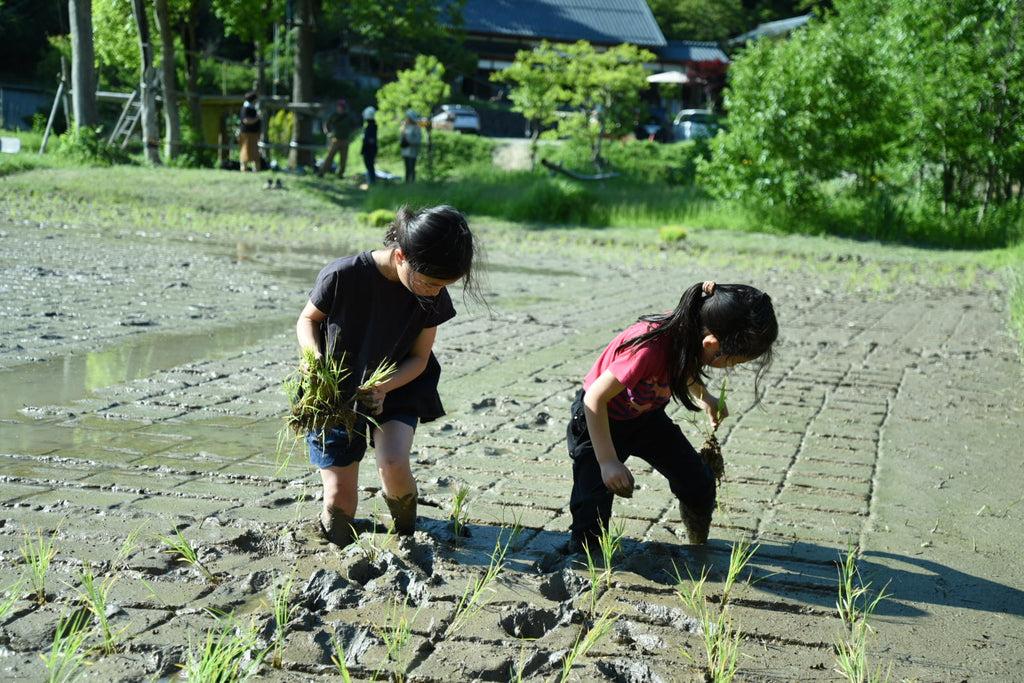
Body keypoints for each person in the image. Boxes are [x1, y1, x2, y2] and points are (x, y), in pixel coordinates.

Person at [295, 205, 480, 547]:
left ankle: (406, 535)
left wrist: (384, 387)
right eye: (430, 282)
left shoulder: (432, 295)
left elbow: (420, 359)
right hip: (335, 392)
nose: (436, 291)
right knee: (339, 501)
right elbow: (308, 320)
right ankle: (337, 539)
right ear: (400, 256)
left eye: (444, 286)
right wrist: (314, 359)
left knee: (393, 464)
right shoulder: (343, 275)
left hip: (397, 386)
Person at [567, 281, 778, 551]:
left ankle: (697, 539)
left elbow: (686, 365)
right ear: (711, 343)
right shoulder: (648, 348)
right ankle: (585, 556)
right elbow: (594, 397)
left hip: (647, 419)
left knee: (698, 482)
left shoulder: (692, 332)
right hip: (600, 420)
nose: (730, 367)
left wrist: (706, 399)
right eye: (732, 362)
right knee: (591, 502)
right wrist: (608, 461)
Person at [319, 99, 357, 179]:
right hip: (335, 140)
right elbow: (326, 124)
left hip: (345, 140)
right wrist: (327, 132)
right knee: (330, 157)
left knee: (343, 159)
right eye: (339, 107)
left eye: (342, 107)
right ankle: (322, 172)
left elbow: (354, 126)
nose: (340, 108)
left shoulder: (348, 117)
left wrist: (351, 135)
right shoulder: (334, 115)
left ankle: (340, 174)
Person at [238, 91, 261, 172]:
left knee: (255, 151)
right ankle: (244, 168)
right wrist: (257, 118)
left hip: (253, 133)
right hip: (246, 133)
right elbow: (246, 120)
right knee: (245, 150)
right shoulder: (245, 108)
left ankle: (256, 169)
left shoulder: (253, 108)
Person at [399, 109, 422, 183]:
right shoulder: (406, 127)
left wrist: (408, 140)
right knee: (406, 167)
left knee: (411, 167)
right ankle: (407, 181)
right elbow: (400, 138)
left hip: (412, 151)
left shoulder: (416, 128)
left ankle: (412, 181)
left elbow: (418, 140)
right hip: (405, 150)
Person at [361, 106, 378, 186]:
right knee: (370, 166)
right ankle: (371, 182)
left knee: (370, 166)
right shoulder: (372, 126)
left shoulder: (371, 126)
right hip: (371, 149)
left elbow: (370, 140)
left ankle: (372, 182)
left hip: (369, 150)